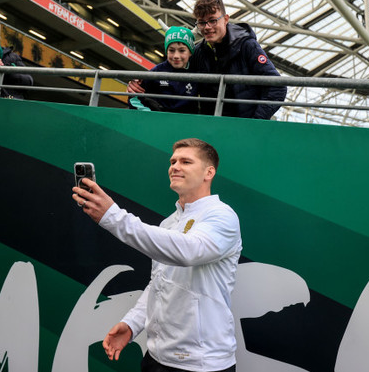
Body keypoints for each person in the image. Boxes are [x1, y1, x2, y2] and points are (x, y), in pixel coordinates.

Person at [72, 138, 242, 372]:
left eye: (185, 161)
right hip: (156, 359)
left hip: (203, 364)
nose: (175, 166)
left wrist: (113, 217)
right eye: (173, 161)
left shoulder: (223, 216)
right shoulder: (168, 223)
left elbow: (187, 251)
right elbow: (159, 284)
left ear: (209, 172)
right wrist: (132, 324)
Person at [190, 0, 286, 119]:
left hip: (245, 129)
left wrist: (255, 121)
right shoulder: (198, 52)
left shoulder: (247, 45)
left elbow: (278, 87)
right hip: (211, 130)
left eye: (213, 20)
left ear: (225, 19)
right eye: (202, 22)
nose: (207, 27)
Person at [127, 26, 198, 114]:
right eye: (171, 50)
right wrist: (149, 115)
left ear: (190, 52)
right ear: (166, 51)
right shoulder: (157, 71)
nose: (176, 56)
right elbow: (134, 98)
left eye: (182, 50)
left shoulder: (197, 72)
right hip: (158, 123)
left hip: (186, 124)